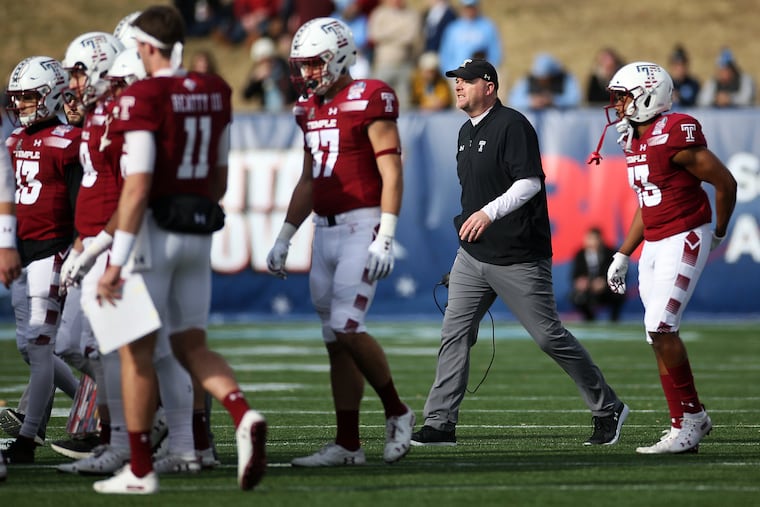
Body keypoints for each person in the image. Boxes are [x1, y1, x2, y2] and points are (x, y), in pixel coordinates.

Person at [92, 5, 266, 494]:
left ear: (145, 46)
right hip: (197, 228)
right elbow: (221, 174)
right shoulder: (214, 90)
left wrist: (116, 261)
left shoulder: (145, 93)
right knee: (191, 344)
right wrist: (199, 210)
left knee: (137, 352)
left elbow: (137, 184)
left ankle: (141, 469)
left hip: (154, 231)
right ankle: (242, 412)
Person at [411, 58, 628, 448]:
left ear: (489, 86)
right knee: (454, 333)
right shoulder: (464, 131)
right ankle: (440, 422)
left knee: (549, 337)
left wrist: (488, 213)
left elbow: (528, 183)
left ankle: (607, 405)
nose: (458, 86)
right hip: (474, 256)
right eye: (456, 81)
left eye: (467, 80)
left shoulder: (512, 125)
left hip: (518, 255)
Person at [266, 16, 415, 467]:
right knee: (334, 338)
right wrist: (285, 235)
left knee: (348, 325)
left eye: (315, 64)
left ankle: (397, 411)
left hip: (361, 223)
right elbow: (310, 178)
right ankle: (348, 443)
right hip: (324, 230)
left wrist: (386, 234)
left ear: (341, 56)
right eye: (302, 66)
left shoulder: (369, 96)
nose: (308, 74)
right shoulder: (307, 109)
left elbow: (391, 170)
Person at [592, 61, 737, 453]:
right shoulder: (633, 137)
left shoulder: (674, 132)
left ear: (648, 95)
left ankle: (690, 420)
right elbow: (647, 200)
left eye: (623, 97)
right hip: (656, 239)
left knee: (661, 325)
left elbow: (725, 182)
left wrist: (718, 232)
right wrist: (624, 252)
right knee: (655, 334)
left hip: (686, 233)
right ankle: (686, 421)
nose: (618, 105)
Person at [3, 56, 83, 464]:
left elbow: (78, 203)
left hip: (53, 249)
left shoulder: (68, 141)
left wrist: (74, 250)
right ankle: (88, 398)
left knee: (40, 346)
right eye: (17, 98)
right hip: (25, 250)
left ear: (51, 93)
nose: (22, 106)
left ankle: (27, 438)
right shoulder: (15, 141)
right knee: (32, 348)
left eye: (30, 97)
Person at [366, 0, 421, 110]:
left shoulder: (412, 14)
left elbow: (411, 37)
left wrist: (388, 35)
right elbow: (375, 35)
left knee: (404, 103)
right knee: (379, 99)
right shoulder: (379, 13)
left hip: (405, 64)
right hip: (383, 64)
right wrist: (399, 31)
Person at [570, 227, 625, 322]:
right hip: (588, 290)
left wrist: (605, 282)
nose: (591, 242)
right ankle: (589, 318)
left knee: (618, 293)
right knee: (576, 297)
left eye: (594, 239)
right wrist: (580, 282)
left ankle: (614, 320)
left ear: (600, 239)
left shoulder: (611, 253)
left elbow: (617, 273)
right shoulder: (580, 254)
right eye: (588, 238)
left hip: (606, 290)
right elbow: (575, 275)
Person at [437, 0, 502, 80]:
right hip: (457, 75)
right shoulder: (453, 29)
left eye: (472, 7)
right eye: (467, 7)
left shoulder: (487, 26)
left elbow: (495, 53)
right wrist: (450, 74)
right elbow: (445, 54)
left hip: (480, 76)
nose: (469, 10)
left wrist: (487, 73)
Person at [508, 52, 581, 110]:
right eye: (540, 77)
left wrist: (554, 101)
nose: (542, 81)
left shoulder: (565, 78)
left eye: (546, 77)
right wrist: (532, 102)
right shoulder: (528, 79)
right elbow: (513, 100)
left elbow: (575, 99)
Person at [241, 36, 297, 111]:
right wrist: (254, 80)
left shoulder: (285, 69)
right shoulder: (257, 71)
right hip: (267, 117)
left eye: (267, 60)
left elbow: (296, 91)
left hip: (286, 115)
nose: (264, 64)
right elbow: (246, 96)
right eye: (261, 61)